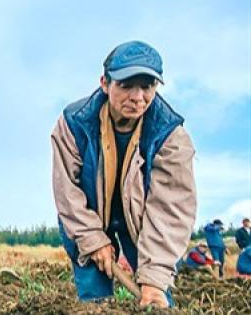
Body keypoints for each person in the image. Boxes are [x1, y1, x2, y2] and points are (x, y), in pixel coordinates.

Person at [52, 41, 196, 308]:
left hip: (144, 223)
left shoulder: (171, 136)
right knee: (95, 301)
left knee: (155, 297)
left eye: (147, 86)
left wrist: (154, 278)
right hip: (89, 215)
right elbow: (67, 191)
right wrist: (93, 240)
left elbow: (170, 210)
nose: (138, 97)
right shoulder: (74, 124)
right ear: (105, 84)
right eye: (126, 85)